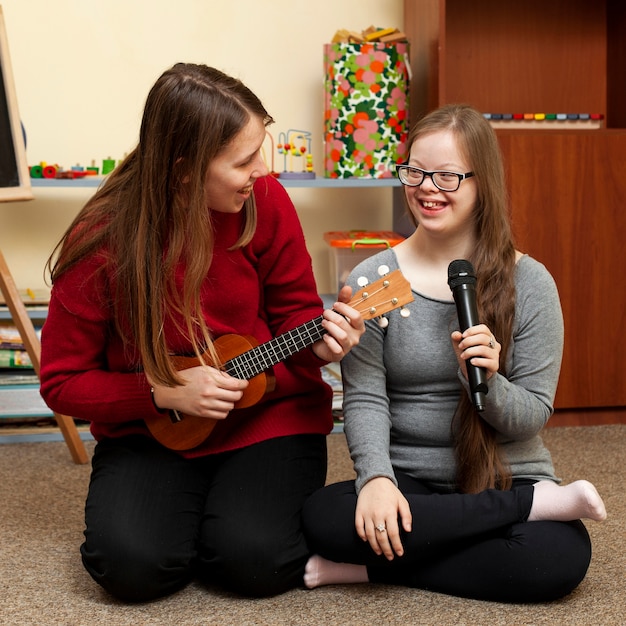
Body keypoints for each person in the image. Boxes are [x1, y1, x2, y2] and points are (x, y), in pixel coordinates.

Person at [39, 62, 364, 602]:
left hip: (269, 416)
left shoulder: (265, 202)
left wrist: (325, 345)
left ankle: (225, 516)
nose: (264, 169)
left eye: (262, 147)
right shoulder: (101, 240)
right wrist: (158, 392)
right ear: (186, 170)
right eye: (244, 160)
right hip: (154, 428)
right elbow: (62, 381)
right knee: (130, 571)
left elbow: (295, 320)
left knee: (253, 566)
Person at [301, 104, 607, 603]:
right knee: (323, 517)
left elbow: (531, 417)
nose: (426, 187)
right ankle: (531, 507)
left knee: (557, 559)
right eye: (415, 171)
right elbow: (365, 399)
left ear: (481, 182)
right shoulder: (373, 280)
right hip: (412, 480)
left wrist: (485, 380)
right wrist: (377, 479)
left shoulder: (530, 283)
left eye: (447, 176)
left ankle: (372, 570)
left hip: (506, 473)